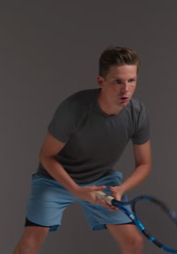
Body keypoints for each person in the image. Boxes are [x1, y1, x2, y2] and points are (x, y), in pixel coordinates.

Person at [13, 46, 152, 254]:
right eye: (117, 81)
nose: (126, 90)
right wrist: (76, 190)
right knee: (28, 246)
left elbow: (144, 164)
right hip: (55, 180)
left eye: (131, 81)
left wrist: (121, 189)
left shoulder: (137, 113)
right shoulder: (74, 109)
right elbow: (46, 156)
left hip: (102, 181)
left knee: (134, 243)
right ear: (100, 81)